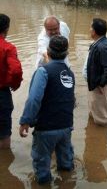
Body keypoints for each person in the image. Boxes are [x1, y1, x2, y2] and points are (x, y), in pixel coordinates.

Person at [19, 35, 75, 184]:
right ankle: (68, 183)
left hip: (46, 129)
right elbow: (71, 100)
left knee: (42, 167)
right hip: (66, 126)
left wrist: (25, 120)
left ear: (48, 52)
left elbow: (34, 99)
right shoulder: (70, 73)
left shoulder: (43, 71)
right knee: (66, 164)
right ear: (67, 53)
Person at [82, 18, 107, 126]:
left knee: (102, 117)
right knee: (94, 109)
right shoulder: (100, 42)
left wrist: (101, 84)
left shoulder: (103, 46)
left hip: (98, 86)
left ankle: (101, 138)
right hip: (94, 84)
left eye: (90, 27)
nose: (89, 29)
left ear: (94, 31)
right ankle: (93, 132)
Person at [0, 14, 23, 149]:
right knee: (3, 134)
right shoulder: (8, 48)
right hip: (1, 93)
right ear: (7, 29)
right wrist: (14, 84)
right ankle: (4, 164)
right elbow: (15, 71)